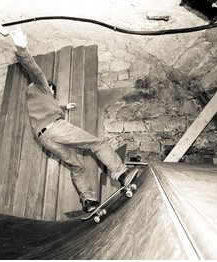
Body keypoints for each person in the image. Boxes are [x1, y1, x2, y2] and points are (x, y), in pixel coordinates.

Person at [9, 27, 134, 213]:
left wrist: (62, 108)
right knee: (97, 143)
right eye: (54, 92)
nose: (54, 94)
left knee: (77, 166)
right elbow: (33, 69)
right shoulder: (42, 85)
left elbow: (47, 110)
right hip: (56, 129)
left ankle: (88, 200)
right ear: (50, 88)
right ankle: (121, 173)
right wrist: (22, 49)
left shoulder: (33, 99)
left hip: (44, 139)